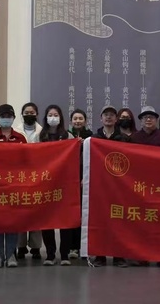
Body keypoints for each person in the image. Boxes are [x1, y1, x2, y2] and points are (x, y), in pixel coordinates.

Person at [32, 105, 75, 266]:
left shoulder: (68, 135)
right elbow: (34, 157)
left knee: (65, 220)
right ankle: (50, 254)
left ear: (60, 117)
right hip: (45, 183)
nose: (53, 117)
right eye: (50, 115)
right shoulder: (39, 136)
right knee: (47, 220)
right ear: (45, 117)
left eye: (56, 115)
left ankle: (64, 254)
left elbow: (74, 157)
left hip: (64, 183)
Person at [130, 106, 160, 268]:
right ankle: (142, 256)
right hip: (139, 186)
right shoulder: (134, 138)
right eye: (145, 117)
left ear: (156, 120)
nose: (148, 120)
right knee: (141, 221)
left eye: (152, 117)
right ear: (140, 121)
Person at [0, 104, 27, 268]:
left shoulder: (20, 138)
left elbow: (27, 161)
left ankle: (11, 254)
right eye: (3, 116)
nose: (6, 119)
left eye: (9, 116)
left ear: (14, 118)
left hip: (14, 185)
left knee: (12, 221)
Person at [91, 106, 129, 268]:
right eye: (106, 115)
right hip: (99, 186)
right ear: (101, 118)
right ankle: (100, 255)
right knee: (100, 220)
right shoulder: (93, 139)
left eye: (112, 115)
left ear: (116, 119)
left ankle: (119, 256)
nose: (108, 117)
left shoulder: (124, 139)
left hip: (118, 186)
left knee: (118, 221)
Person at [14, 102, 43, 260]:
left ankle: (36, 247)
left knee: (36, 212)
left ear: (37, 114)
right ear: (22, 114)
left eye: (32, 112)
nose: (29, 115)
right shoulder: (16, 132)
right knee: (21, 212)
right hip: (20, 175)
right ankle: (21, 246)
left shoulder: (42, 132)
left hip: (38, 175)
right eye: (26, 112)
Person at [68, 108, 93, 259]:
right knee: (72, 214)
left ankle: (85, 247)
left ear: (85, 121)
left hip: (85, 179)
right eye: (75, 119)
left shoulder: (91, 137)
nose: (78, 121)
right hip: (70, 180)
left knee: (85, 214)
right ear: (71, 121)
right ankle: (72, 247)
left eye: (80, 118)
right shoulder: (66, 136)